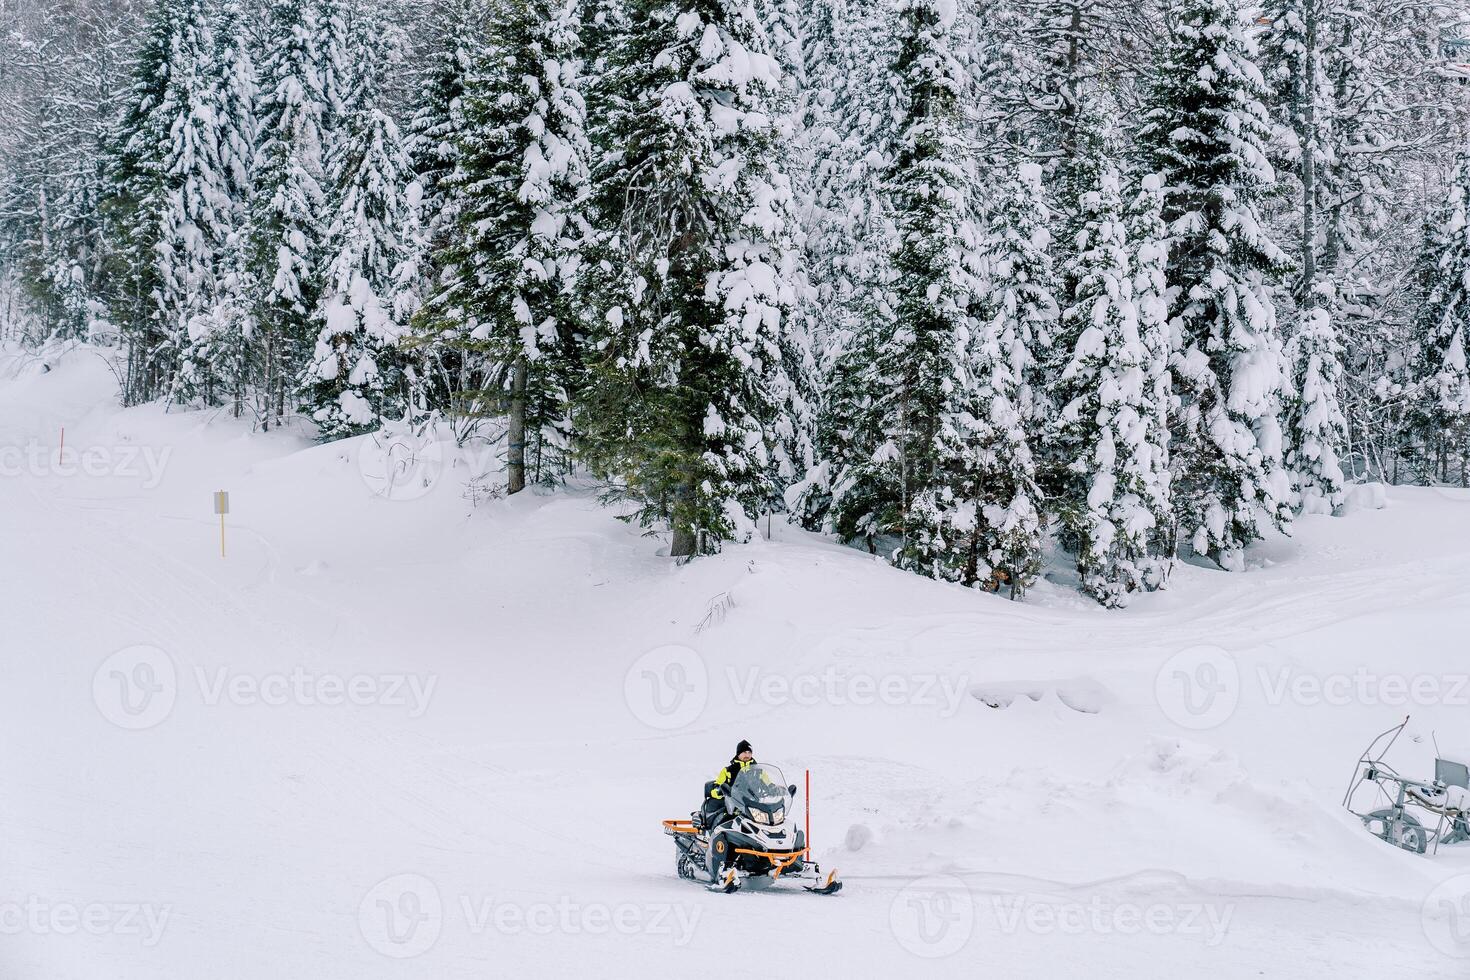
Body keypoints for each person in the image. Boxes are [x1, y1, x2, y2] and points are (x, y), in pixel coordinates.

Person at [702, 740, 754, 884]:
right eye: (745, 752)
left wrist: (776, 789)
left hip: (752, 807)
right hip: (731, 807)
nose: (747, 755)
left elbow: (767, 784)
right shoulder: (728, 770)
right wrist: (718, 790)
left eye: (749, 752)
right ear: (739, 753)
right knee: (726, 826)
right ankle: (723, 861)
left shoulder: (757, 771)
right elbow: (717, 785)